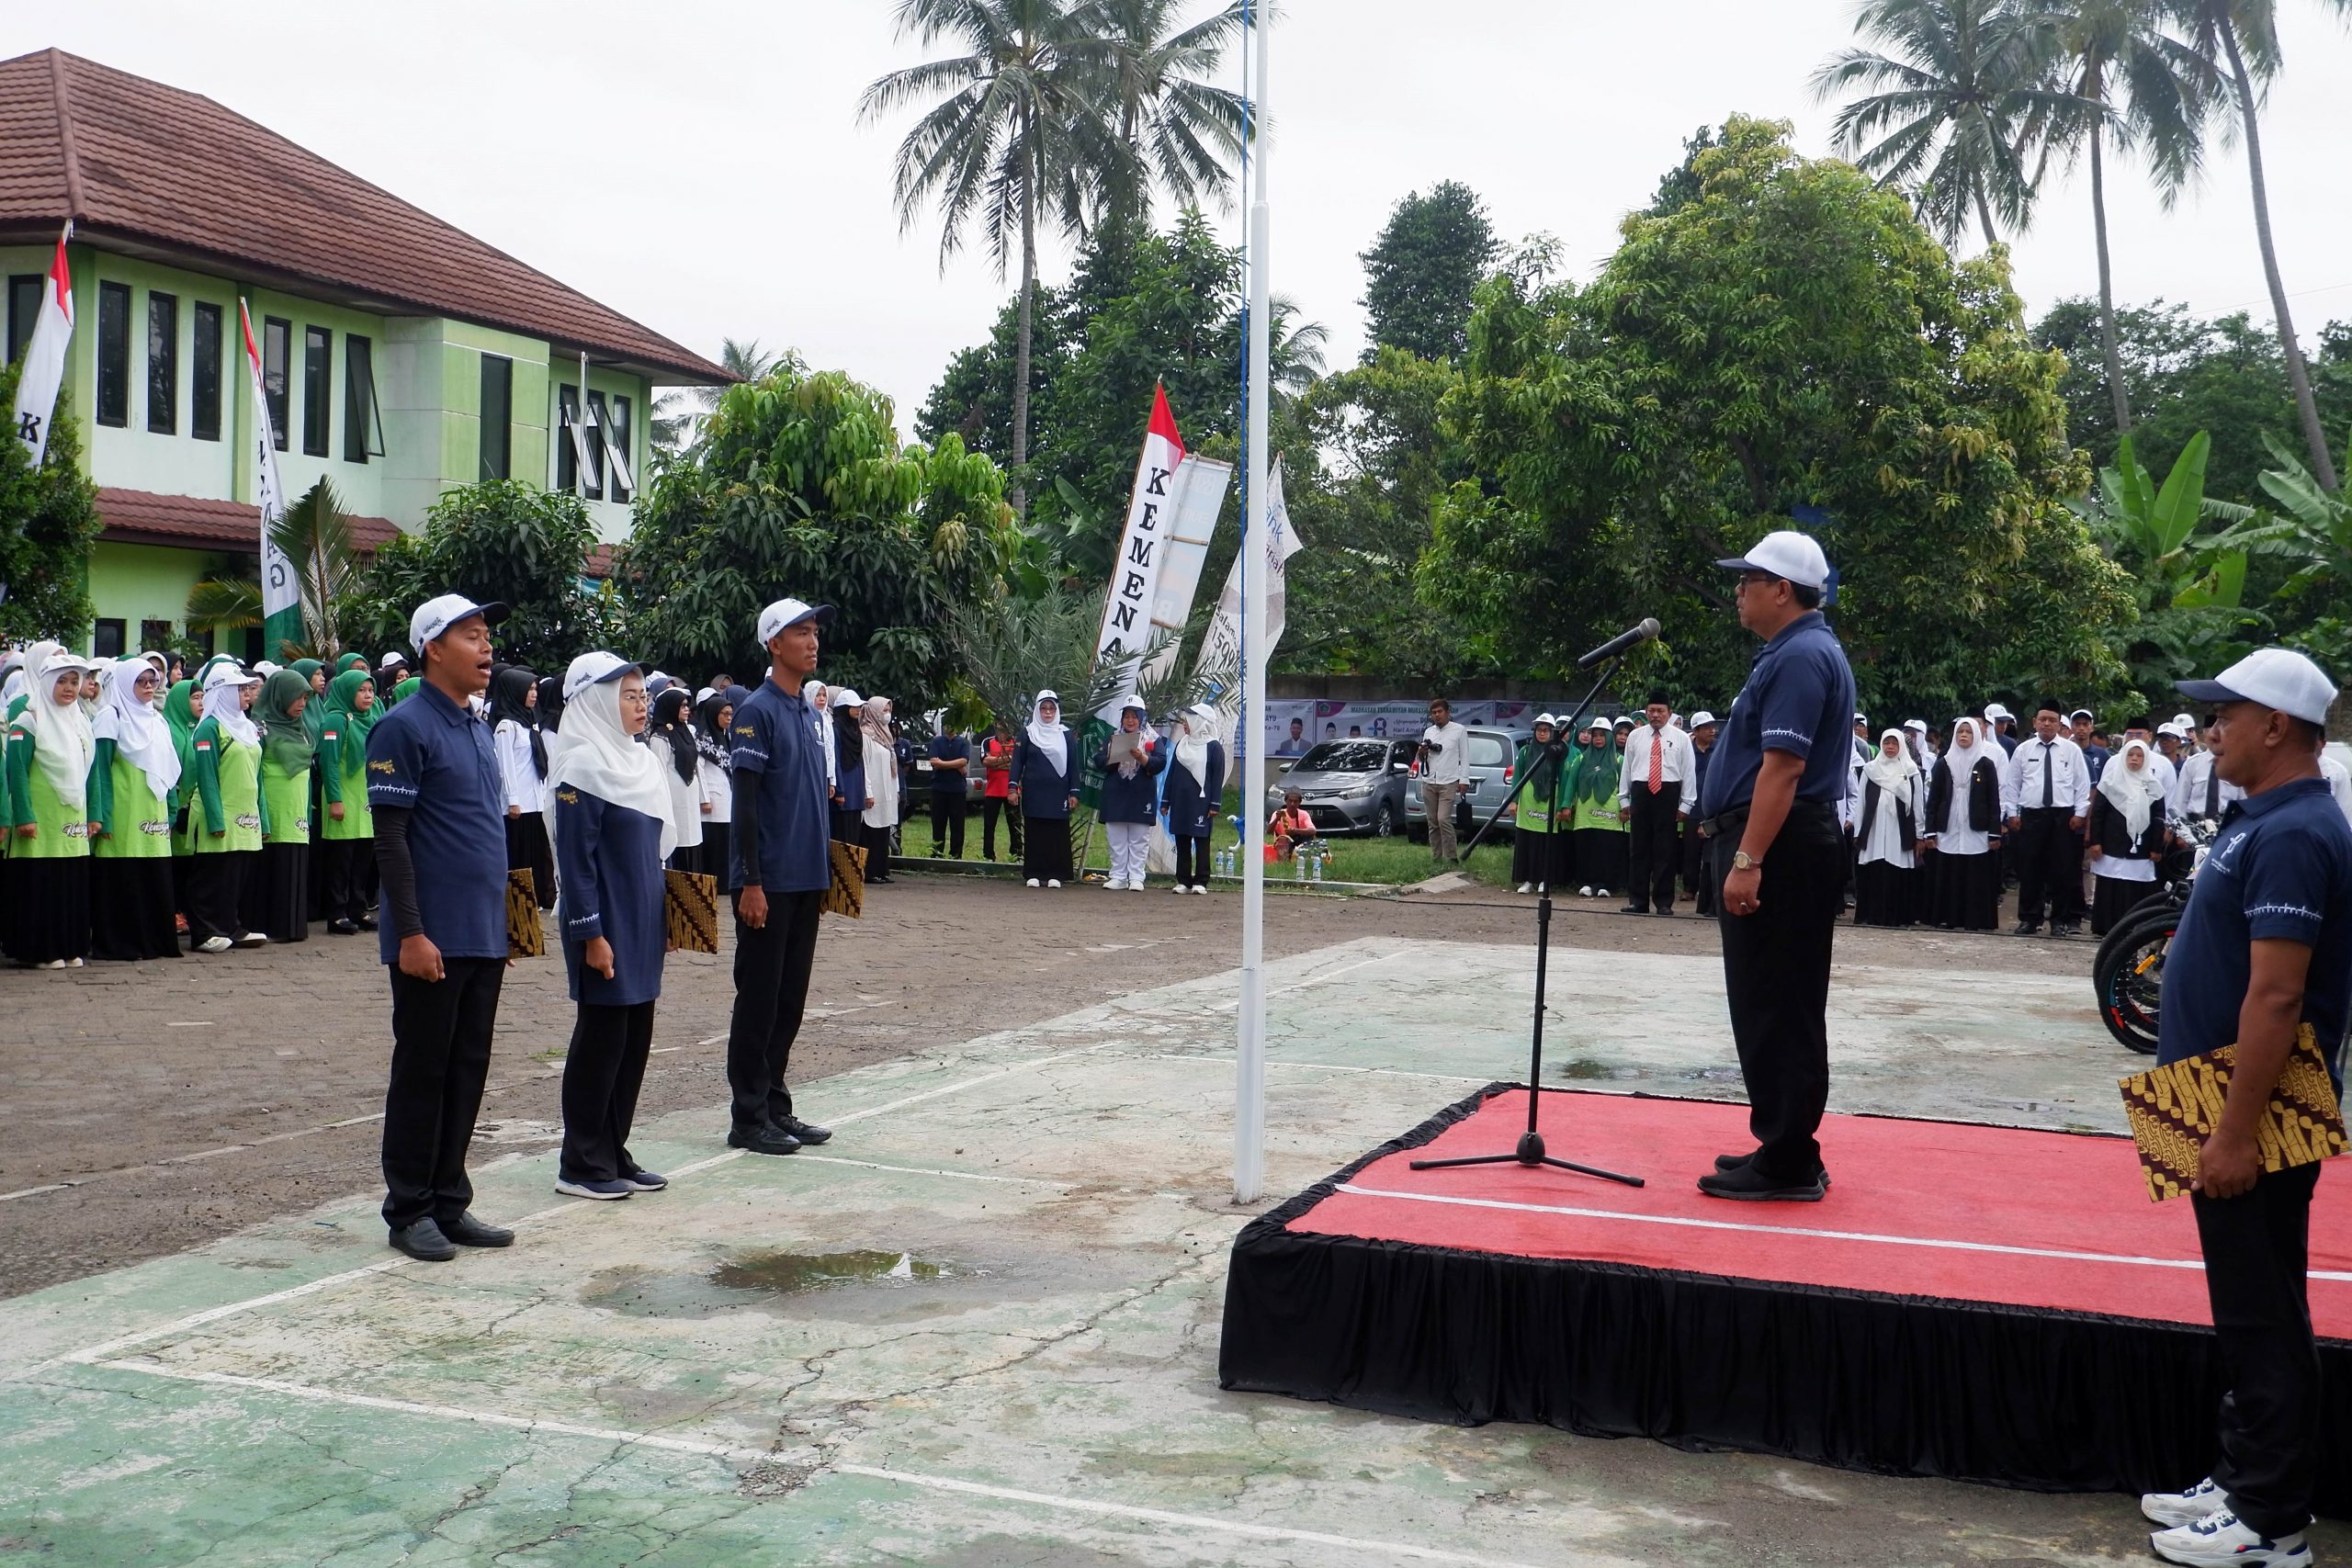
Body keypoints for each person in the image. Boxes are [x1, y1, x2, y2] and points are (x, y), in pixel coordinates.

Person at [2136, 649, 2351, 1568]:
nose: (2209, 729)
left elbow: (2276, 998)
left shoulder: (2296, 833)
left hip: (2249, 1101)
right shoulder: (2262, 818)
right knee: (2244, 1301)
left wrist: (2230, 1134)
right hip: (2208, 1088)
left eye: (2227, 712)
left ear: (2277, 726)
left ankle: (2270, 1523)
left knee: (2262, 1308)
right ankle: (2242, 1478)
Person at [1693, 529, 1856, 1202]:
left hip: (1781, 846)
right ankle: (1786, 1142)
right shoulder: (1799, 649)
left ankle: (1788, 1158)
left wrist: (1747, 858)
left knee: (1776, 1003)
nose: (1739, 590)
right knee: (1776, 999)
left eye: (1747, 579)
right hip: (1787, 843)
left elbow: (1782, 769)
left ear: (1781, 590)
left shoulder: (1799, 656)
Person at [366, 593, 516, 1263]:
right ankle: (409, 1209)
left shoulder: (477, 726)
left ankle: (450, 1200)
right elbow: (391, 842)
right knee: (424, 1070)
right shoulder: (403, 726)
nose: (486, 648)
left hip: (481, 933)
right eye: (472, 636)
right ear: (433, 647)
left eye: (487, 636)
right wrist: (410, 933)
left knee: (468, 1070)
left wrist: (503, 927)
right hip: (431, 937)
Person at [546, 653, 674, 1201]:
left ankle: (613, 1148)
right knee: (601, 1039)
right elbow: (576, 863)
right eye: (628, 695)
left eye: (643, 694)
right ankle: (580, 1160)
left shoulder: (640, 762)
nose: (641, 704)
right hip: (604, 921)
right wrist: (590, 935)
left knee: (633, 1039)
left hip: (643, 918)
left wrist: (666, 918)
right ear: (596, 702)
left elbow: (655, 854)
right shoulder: (580, 766)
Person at [724, 598, 839, 1159]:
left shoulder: (810, 714)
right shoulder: (755, 711)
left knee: (789, 999)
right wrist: (749, 880)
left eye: (815, 632)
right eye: (800, 632)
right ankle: (747, 1116)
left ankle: (776, 1105)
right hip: (766, 882)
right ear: (774, 643)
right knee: (759, 999)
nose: (812, 641)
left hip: (805, 880)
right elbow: (744, 805)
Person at [5, 650, 96, 968]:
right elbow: (16, 771)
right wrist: (24, 816)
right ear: (46, 684)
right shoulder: (29, 719)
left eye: (75, 681)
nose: (69, 688)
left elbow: (90, 770)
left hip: (72, 819)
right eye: (62, 682)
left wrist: (93, 815)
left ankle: (69, 946)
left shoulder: (80, 722)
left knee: (69, 883)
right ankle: (40, 951)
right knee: (41, 884)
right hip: (40, 820)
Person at [87, 656, 180, 962]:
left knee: (153, 878)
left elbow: (168, 771)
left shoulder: (158, 719)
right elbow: (99, 770)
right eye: (141, 681)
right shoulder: (109, 717)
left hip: (153, 813)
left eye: (152, 681)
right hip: (124, 813)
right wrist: (103, 817)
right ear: (127, 683)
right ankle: (121, 945)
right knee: (124, 881)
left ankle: (154, 943)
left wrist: (171, 811)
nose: (148, 687)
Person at [182, 662, 266, 953]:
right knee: (211, 875)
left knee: (236, 874)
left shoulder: (247, 726)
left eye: (246, 688)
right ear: (223, 692)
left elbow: (258, 777)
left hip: (246, 815)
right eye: (239, 689)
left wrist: (262, 820)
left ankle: (231, 927)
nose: (246, 694)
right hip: (218, 813)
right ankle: (204, 932)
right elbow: (206, 778)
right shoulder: (209, 728)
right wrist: (216, 819)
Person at [2004, 702, 2093, 937]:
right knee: (2030, 868)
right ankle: (2029, 919)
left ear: (2059, 723)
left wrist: (2080, 813)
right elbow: (2012, 784)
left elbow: (2082, 784)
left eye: (2052, 720)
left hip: (2063, 816)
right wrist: (2012, 813)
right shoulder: (2023, 750)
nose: (2046, 723)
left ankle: (2059, 921)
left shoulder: (2071, 750)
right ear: (2035, 722)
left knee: (2062, 870)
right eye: (2042, 719)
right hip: (2032, 816)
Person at [251, 668, 315, 945]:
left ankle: (292, 927)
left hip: (297, 810)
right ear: (280, 696)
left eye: (305, 697)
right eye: (296, 697)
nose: (302, 703)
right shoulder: (259, 728)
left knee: (295, 865)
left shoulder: (302, 730)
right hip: (273, 810)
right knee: (272, 867)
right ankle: (270, 925)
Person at [1922, 716, 2004, 931]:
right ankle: (1948, 917)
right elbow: (1933, 799)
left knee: (1975, 874)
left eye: (1968, 732)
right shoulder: (1943, 763)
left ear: (1977, 735)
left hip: (1976, 828)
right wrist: (1929, 831)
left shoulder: (1986, 764)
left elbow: (1993, 800)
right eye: (1960, 732)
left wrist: (1994, 832)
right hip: (1948, 826)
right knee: (1950, 872)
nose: (1964, 736)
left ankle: (1974, 920)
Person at [1617, 691, 1694, 915]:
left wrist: (1686, 805)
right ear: (1646, 712)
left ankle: (1663, 902)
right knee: (1638, 849)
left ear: (1669, 713)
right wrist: (1624, 798)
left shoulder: (1680, 738)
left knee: (1665, 850)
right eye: (1651, 711)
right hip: (1641, 792)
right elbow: (1627, 768)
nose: (1656, 715)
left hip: (1668, 793)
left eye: (1660, 711)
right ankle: (1638, 901)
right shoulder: (1635, 736)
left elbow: (1689, 773)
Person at [316, 669, 378, 935]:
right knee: (342, 860)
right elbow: (328, 763)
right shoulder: (335, 720)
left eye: (370, 690)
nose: (368, 696)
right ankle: (337, 913)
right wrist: (335, 800)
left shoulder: (370, 718)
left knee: (363, 857)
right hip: (342, 795)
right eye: (361, 690)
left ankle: (358, 909)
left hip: (364, 798)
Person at [2086, 739, 2168, 936]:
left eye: (2139, 756)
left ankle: (2133, 928)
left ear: (2146, 759)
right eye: (2131, 755)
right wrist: (2095, 842)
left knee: (2135, 887)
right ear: (2123, 757)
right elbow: (2098, 814)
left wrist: (2157, 848)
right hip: (2111, 843)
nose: (2134, 759)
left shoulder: (2153, 786)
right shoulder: (2110, 783)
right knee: (2109, 886)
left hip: (2141, 846)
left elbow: (2159, 819)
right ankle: (2105, 927)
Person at [489, 667, 555, 910]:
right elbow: (505, 767)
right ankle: (517, 902)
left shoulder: (530, 723)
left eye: (536, 689)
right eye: (529, 689)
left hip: (535, 800)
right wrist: (512, 799)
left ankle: (533, 899)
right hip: (518, 804)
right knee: (519, 855)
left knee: (536, 854)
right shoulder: (507, 726)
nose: (534, 694)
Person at [1850, 729, 1921, 928]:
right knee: (1874, 868)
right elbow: (1861, 802)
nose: (1890, 747)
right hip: (1873, 828)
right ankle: (1870, 915)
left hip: (1900, 829)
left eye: (1894, 743)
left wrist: (1920, 834)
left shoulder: (1910, 770)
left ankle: (1895, 917)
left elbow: (1917, 805)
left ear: (1901, 746)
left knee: (1895, 869)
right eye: (1886, 743)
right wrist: (1858, 832)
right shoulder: (1870, 770)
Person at [1095, 697, 1164, 891]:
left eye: (1134, 716)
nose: (1130, 720)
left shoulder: (1153, 738)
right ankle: (1118, 875)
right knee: (1116, 837)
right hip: (1116, 792)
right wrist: (1115, 758)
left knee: (1139, 838)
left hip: (1141, 793)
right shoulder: (1112, 737)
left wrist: (1142, 757)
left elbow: (1160, 763)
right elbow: (1099, 760)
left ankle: (1136, 876)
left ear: (1142, 717)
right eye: (1127, 716)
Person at [1013, 691, 1078, 888]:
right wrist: (1012, 787)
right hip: (1034, 791)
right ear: (1037, 710)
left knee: (1056, 833)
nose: (1048, 712)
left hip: (1058, 792)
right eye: (1043, 708)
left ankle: (1055, 874)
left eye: (1051, 708)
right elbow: (1017, 762)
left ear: (1057, 710)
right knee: (1035, 831)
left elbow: (1073, 765)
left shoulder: (1065, 734)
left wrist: (1074, 791)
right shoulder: (1028, 733)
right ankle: (1034, 873)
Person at [1162, 705, 1224, 894]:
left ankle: (1201, 881)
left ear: (1198, 722)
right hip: (1180, 800)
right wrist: (1165, 801)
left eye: (1187, 722)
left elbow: (1217, 777)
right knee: (1181, 838)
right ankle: (1183, 880)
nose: (1185, 726)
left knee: (1201, 839)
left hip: (1201, 802)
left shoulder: (1214, 747)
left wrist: (1215, 803)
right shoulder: (1182, 743)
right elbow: (1171, 774)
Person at [1566, 716, 1627, 897]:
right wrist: (1565, 805)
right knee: (1587, 848)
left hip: (1610, 816)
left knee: (1608, 850)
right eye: (1595, 735)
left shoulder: (1619, 760)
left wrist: (1626, 808)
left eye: (1602, 735)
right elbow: (1571, 783)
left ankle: (1606, 885)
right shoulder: (1582, 759)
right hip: (1585, 815)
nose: (1598, 738)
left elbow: (1626, 787)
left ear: (1609, 737)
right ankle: (1587, 882)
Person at [1510, 715, 1569, 894]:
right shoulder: (1525, 752)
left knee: (1546, 843)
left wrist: (1563, 805)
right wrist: (1514, 801)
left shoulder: (1557, 753)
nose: (1542, 734)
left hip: (1550, 801)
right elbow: (1517, 778)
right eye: (1539, 730)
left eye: (1546, 731)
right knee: (1527, 841)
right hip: (1528, 802)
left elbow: (1564, 779)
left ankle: (1545, 880)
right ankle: (1528, 880)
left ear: (1552, 733)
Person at [649, 685, 705, 874]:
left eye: (687, 705)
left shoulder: (686, 731)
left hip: (689, 794)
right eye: (681, 706)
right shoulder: (660, 736)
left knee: (692, 840)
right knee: (678, 840)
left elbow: (696, 764)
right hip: (672, 797)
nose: (687, 709)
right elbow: (659, 771)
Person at [1419, 698, 1470, 865]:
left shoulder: (1459, 730)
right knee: (1432, 821)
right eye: (1434, 713)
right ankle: (1436, 857)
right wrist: (1422, 752)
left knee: (1443, 819)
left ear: (1448, 712)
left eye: (1440, 712)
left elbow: (1465, 757)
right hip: (1429, 780)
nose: (1437, 715)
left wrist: (1464, 780)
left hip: (1448, 781)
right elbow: (1421, 760)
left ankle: (1451, 856)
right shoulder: (1429, 732)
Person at [693, 690, 735, 884]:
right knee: (714, 840)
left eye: (730, 714)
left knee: (726, 839)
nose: (728, 718)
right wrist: (705, 798)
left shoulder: (726, 737)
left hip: (726, 795)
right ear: (713, 714)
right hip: (712, 798)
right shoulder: (703, 738)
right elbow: (699, 769)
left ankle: (726, 881)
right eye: (724, 714)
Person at [2173, 716, 2246, 828]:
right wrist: (2183, 831)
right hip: (2196, 825)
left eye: (2221, 734)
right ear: (2204, 736)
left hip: (2228, 824)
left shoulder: (2237, 764)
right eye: (2211, 734)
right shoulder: (2192, 763)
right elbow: (2180, 802)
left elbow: (2244, 801)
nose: (2216, 738)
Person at [858, 696, 900, 885]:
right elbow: (865, 766)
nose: (887, 714)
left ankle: (882, 870)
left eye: (888, 710)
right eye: (883, 710)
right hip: (873, 792)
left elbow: (893, 767)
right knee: (871, 832)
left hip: (886, 792)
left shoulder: (886, 735)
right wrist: (868, 792)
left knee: (883, 831)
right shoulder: (866, 735)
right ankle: (870, 872)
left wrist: (896, 790)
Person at [1683, 711, 1720, 915]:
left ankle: (1710, 891)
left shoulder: (1720, 748)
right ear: (1695, 731)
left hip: (1713, 806)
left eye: (1712, 726)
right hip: (1692, 805)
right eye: (1706, 727)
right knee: (1691, 849)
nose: (1711, 730)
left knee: (1711, 850)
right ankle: (1689, 888)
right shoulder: (1687, 750)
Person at [827, 689, 867, 843]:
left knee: (854, 837)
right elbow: (835, 760)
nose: (858, 710)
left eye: (859, 707)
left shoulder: (856, 730)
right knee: (842, 838)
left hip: (856, 792)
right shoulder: (836, 729)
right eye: (853, 706)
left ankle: (851, 868)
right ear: (844, 708)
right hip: (843, 793)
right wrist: (840, 791)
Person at [926, 721, 970, 860]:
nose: (948, 727)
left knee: (957, 824)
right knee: (938, 823)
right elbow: (934, 762)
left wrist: (943, 763)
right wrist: (955, 765)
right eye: (946, 724)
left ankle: (956, 855)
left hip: (957, 789)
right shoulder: (937, 741)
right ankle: (937, 853)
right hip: (939, 788)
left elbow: (964, 762)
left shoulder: (963, 742)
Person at [980, 717, 1021, 863]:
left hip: (1012, 790)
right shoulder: (988, 741)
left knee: (1015, 824)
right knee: (989, 825)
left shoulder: (1016, 742)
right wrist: (1006, 760)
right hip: (992, 790)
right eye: (999, 727)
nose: (1002, 730)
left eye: (1005, 727)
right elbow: (985, 761)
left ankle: (1016, 854)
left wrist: (996, 761)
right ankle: (988, 855)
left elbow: (1017, 763)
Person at [1269, 787, 1317, 864]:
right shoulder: (1278, 814)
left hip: (1298, 843)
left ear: (1299, 803)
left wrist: (1295, 831)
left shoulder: (1304, 814)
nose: (1292, 804)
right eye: (1290, 801)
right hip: (1283, 844)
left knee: (1309, 838)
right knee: (1283, 840)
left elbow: (1313, 831)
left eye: (1295, 801)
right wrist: (1276, 819)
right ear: (1286, 801)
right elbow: (1268, 832)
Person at [2072, 709, 2110, 784]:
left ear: (2091, 728)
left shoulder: (2102, 754)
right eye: (2077, 724)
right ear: (2071, 727)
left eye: (2085, 724)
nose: (2081, 728)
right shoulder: (2065, 752)